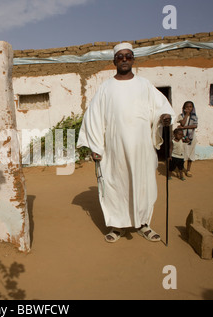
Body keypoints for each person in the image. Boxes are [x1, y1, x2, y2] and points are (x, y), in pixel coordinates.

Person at [77, 42, 175, 243]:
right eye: (120, 56)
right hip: (115, 150)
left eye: (128, 56)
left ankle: (143, 224)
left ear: (133, 59)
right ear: (114, 61)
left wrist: (164, 116)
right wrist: (96, 147)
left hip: (142, 149)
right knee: (116, 185)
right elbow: (93, 117)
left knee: (143, 185)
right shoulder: (106, 88)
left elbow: (161, 107)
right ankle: (117, 226)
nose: (124, 59)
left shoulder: (144, 85)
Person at [176, 101, 198, 177]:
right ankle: (180, 170)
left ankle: (188, 170)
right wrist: (187, 114)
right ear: (184, 108)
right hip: (182, 138)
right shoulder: (181, 115)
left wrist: (184, 127)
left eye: (190, 107)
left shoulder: (194, 116)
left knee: (190, 155)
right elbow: (182, 123)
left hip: (191, 138)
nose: (189, 108)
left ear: (192, 108)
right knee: (182, 154)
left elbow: (195, 126)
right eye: (187, 107)